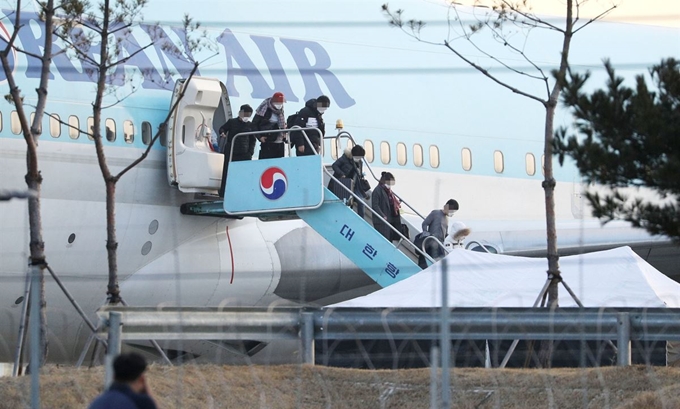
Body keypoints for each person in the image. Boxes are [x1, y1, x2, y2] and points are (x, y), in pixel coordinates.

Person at [88, 352, 157, 409]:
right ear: (141, 379)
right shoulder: (140, 402)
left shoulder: (97, 402)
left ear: (113, 377)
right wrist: (148, 394)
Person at [217, 104, 255, 197]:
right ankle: (223, 193)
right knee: (227, 172)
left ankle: (241, 193)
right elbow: (222, 128)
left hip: (244, 153)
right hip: (231, 151)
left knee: (242, 174)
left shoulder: (250, 125)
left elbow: (252, 140)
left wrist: (250, 152)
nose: (247, 117)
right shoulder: (232, 122)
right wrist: (223, 133)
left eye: (249, 115)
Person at [329, 145, 369, 217]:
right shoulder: (345, 158)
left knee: (361, 202)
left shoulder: (359, 162)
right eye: (358, 157)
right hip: (342, 184)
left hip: (353, 185)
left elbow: (358, 174)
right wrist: (341, 174)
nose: (359, 159)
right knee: (346, 202)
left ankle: (361, 220)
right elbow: (334, 165)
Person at [418, 199, 459, 268]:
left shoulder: (446, 219)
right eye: (452, 211)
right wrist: (426, 235)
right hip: (430, 243)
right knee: (424, 264)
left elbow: (445, 234)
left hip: (440, 246)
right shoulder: (435, 213)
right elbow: (425, 223)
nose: (452, 213)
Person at [253, 92, 286, 159]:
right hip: (267, 141)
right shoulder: (263, 109)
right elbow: (254, 124)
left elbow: (282, 123)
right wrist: (259, 137)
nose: (279, 105)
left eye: (281, 103)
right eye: (277, 103)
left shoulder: (280, 110)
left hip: (280, 141)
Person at [371, 171, 401, 240]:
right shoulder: (377, 190)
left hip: (389, 220)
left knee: (389, 239)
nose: (390, 186)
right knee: (384, 240)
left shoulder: (388, 191)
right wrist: (382, 215)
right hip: (381, 221)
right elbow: (375, 205)